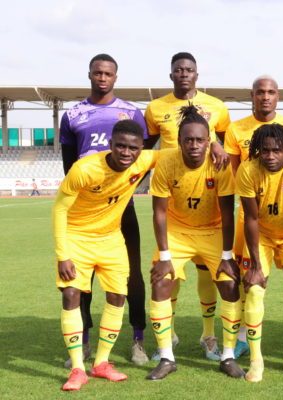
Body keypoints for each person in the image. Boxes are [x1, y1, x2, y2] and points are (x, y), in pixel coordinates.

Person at [54, 120, 158, 391]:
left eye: (133, 148)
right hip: (77, 238)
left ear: (140, 149)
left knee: (117, 296)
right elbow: (59, 210)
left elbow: (179, 151)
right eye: (120, 146)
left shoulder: (144, 159)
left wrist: (214, 149)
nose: (126, 152)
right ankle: (78, 368)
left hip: (111, 239)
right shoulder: (84, 169)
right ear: (110, 145)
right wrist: (62, 254)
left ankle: (101, 363)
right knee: (70, 295)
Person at [59, 53, 149, 366]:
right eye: (97, 72)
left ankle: (138, 339)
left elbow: (143, 155)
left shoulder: (131, 112)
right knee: (82, 281)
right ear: (89, 74)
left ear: (115, 77)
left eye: (108, 73)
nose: (102, 78)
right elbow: (69, 165)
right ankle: (82, 342)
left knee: (132, 276)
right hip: (85, 212)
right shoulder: (73, 114)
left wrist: (126, 186)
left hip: (122, 207)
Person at [144, 52, 231, 361]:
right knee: (168, 277)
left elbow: (222, 142)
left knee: (208, 275)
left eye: (189, 70)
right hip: (174, 194)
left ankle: (209, 336)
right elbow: (145, 148)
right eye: (178, 70)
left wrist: (217, 144)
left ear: (197, 74)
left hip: (206, 200)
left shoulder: (217, 107)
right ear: (171, 75)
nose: (183, 74)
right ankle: (169, 337)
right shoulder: (155, 108)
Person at [146, 105, 243, 380]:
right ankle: (167, 356)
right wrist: (164, 255)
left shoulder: (220, 163)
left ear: (209, 140)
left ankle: (228, 355)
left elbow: (227, 212)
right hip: (178, 231)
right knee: (161, 280)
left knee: (230, 283)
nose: (194, 145)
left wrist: (227, 255)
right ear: (178, 141)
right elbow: (159, 212)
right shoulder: (166, 162)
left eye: (200, 139)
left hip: (211, 230)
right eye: (188, 139)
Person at [224, 75, 283, 359]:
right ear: (252, 95)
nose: (265, 96)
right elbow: (238, 172)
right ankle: (241, 338)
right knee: (249, 282)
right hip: (251, 218)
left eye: (271, 92)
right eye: (260, 92)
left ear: (277, 95)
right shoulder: (236, 130)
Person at [236, 124, 283, 382]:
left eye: (276, 150)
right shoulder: (248, 169)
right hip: (262, 236)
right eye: (265, 151)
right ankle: (256, 360)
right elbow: (251, 219)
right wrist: (256, 266)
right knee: (255, 289)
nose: (270, 156)